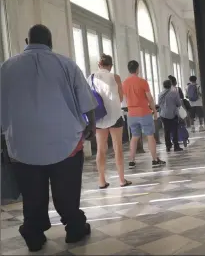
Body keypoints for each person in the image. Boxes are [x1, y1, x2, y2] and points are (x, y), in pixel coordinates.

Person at [0, 24, 96, 251]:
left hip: (22, 145)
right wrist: (90, 126)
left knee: (32, 194)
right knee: (67, 190)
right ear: (50, 42)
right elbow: (86, 101)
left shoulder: (6, 67)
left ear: (27, 40)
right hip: (66, 142)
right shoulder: (66, 64)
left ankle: (33, 233)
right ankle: (74, 228)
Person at [87, 54, 132, 189]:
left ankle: (101, 181)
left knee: (101, 149)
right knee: (118, 147)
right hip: (115, 116)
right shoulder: (115, 77)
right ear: (110, 66)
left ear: (99, 64)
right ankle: (122, 180)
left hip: (99, 117)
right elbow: (120, 97)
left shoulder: (91, 77)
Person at [122, 60, 165, 168]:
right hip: (144, 112)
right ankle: (155, 160)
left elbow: (124, 98)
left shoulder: (125, 83)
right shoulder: (142, 82)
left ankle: (131, 161)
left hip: (131, 113)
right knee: (150, 136)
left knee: (134, 137)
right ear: (137, 69)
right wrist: (154, 111)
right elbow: (150, 98)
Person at [158, 80, 183, 152]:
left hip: (163, 114)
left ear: (163, 86)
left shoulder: (160, 94)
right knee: (174, 130)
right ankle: (176, 146)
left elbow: (159, 104)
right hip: (173, 114)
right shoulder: (174, 93)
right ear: (171, 85)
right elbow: (178, 103)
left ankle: (168, 147)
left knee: (166, 130)